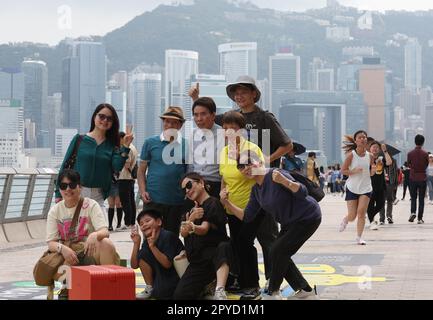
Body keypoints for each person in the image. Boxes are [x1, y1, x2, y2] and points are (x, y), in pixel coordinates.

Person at [190, 76, 293, 289]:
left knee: (268, 239)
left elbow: (287, 145)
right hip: (238, 191)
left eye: (244, 92)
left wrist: (264, 161)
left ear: (254, 94)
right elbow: (207, 116)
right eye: (236, 93)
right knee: (240, 242)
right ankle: (243, 279)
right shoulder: (232, 119)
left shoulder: (265, 117)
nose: (239, 96)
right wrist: (196, 98)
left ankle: (274, 281)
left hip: (262, 186)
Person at [220, 150, 321, 300]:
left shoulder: (275, 174)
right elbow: (247, 216)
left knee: (276, 251)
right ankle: (304, 289)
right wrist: (226, 202)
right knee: (280, 252)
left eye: (249, 163)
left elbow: (303, 192)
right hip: (290, 222)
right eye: (241, 166)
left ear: (259, 162)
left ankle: (273, 291)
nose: (245, 168)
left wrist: (284, 181)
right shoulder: (256, 190)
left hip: (307, 217)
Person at [46, 169, 120, 300]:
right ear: (60, 189)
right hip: (68, 254)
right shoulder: (55, 211)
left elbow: (104, 231)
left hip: (89, 251)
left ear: (80, 187)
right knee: (60, 265)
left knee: (106, 244)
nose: (68, 189)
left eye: (72, 185)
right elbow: (51, 242)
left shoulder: (91, 205)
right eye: (63, 186)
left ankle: (107, 289)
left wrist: (94, 235)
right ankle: (66, 287)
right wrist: (63, 249)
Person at [218, 111, 265, 298]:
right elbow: (224, 176)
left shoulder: (252, 149)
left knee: (246, 243)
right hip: (231, 206)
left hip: (252, 206)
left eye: (234, 128)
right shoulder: (223, 151)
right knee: (236, 244)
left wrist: (247, 165)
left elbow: (261, 173)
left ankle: (252, 284)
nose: (229, 132)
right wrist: (222, 194)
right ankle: (240, 281)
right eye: (225, 128)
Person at [55, 103, 133, 210]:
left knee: (100, 226)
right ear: (94, 117)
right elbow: (64, 166)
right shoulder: (79, 139)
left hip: (98, 195)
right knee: (77, 226)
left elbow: (117, 167)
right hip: (76, 191)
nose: (105, 120)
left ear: (113, 123)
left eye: (109, 118)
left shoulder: (112, 145)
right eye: (101, 116)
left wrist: (125, 147)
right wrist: (58, 194)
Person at [173, 172, 232, 300]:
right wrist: (191, 220)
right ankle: (207, 286)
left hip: (213, 259)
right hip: (197, 262)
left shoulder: (212, 203)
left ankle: (218, 287)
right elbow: (183, 232)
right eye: (184, 189)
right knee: (180, 296)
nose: (187, 191)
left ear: (201, 182)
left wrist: (192, 226)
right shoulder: (190, 208)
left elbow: (204, 229)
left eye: (189, 185)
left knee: (224, 246)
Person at [137, 106, 188, 235]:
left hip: (176, 201)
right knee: (150, 237)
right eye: (167, 121)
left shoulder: (186, 145)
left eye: (174, 122)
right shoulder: (150, 142)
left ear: (180, 125)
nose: (169, 125)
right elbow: (141, 170)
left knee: (171, 239)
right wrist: (142, 191)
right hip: (152, 199)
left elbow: (188, 173)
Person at [131, 209, 184, 300]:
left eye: (147, 221)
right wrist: (136, 243)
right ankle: (149, 288)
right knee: (143, 254)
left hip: (176, 277)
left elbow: (167, 264)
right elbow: (134, 265)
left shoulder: (168, 236)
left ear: (159, 222)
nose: (144, 225)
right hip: (161, 275)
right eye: (141, 224)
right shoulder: (147, 241)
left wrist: (153, 247)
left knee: (162, 293)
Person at [339, 130, 374, 245]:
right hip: (352, 187)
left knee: (361, 213)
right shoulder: (351, 155)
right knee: (352, 216)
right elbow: (343, 171)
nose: (363, 139)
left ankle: (359, 237)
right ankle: (345, 219)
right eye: (360, 137)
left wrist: (373, 171)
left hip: (366, 188)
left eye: (364, 137)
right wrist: (353, 171)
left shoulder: (371, 156)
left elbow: (371, 172)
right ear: (355, 141)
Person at [187, 97, 224, 198]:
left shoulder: (224, 135)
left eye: (203, 114)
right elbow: (190, 165)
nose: (199, 119)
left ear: (213, 115)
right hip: (195, 184)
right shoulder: (193, 135)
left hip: (216, 185)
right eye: (196, 115)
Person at [367, 141, 392, 230]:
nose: (375, 148)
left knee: (381, 204)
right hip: (368, 187)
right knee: (370, 205)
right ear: (370, 149)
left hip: (380, 187)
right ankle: (371, 222)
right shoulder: (366, 158)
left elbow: (389, 163)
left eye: (377, 147)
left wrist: (385, 151)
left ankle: (369, 216)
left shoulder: (381, 159)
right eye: (373, 147)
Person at [117, 131, 139, 229]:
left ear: (123, 138)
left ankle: (127, 222)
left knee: (125, 201)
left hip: (124, 177)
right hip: (130, 179)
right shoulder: (133, 147)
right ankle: (132, 222)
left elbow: (127, 164)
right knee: (131, 201)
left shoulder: (127, 148)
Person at [407, 135, 429, 224]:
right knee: (421, 199)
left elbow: (409, 164)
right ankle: (420, 218)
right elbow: (427, 164)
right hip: (422, 177)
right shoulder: (425, 154)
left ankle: (413, 212)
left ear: (415, 141)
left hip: (413, 177)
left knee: (413, 197)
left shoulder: (410, 153)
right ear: (423, 142)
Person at [379, 156, 399, 225]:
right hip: (384, 183)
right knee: (385, 201)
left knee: (386, 201)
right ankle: (386, 217)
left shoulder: (393, 161)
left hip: (388, 183)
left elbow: (395, 172)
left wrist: (395, 184)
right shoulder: (380, 160)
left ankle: (385, 218)